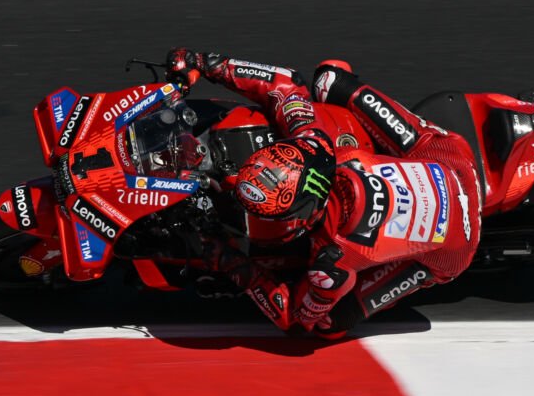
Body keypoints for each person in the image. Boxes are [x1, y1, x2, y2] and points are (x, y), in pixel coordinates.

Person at [164, 49, 482, 338]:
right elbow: (285, 83)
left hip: (453, 246)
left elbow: (293, 317)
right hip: (447, 159)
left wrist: (234, 267)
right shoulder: (313, 144)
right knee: (328, 80)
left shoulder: (331, 261)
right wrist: (208, 64)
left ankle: (427, 270)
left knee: (327, 326)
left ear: (302, 218)